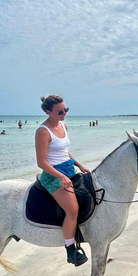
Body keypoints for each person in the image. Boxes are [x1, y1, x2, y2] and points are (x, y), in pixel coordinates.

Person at [36, 95, 91, 267]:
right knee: (73, 209)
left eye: (66, 109)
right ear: (48, 112)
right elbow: (42, 162)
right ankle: (70, 250)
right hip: (53, 175)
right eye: (60, 111)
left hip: (69, 169)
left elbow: (65, 152)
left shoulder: (63, 125)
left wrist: (80, 165)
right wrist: (61, 176)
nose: (64, 113)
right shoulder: (43, 131)